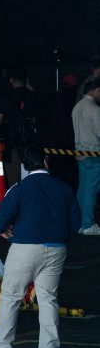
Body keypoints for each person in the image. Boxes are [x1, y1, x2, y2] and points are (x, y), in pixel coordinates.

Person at [0, 143, 80, 348]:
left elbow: (0, 220)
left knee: (11, 296)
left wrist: (4, 231)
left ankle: (3, 347)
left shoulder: (19, 188)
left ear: (26, 166)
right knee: (48, 298)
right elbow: (75, 222)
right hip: (56, 248)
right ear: (46, 162)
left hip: (25, 248)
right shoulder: (64, 188)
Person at [0, 68, 41, 188]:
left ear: (11, 80)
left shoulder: (7, 97)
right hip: (31, 142)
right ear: (26, 80)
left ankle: (16, 196)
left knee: (14, 177)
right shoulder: (32, 96)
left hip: (12, 142)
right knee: (32, 173)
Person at [72, 77, 100, 235]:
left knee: (83, 189)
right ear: (96, 90)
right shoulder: (94, 109)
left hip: (80, 153)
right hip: (94, 153)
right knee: (90, 190)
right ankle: (87, 224)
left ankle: (81, 223)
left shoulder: (77, 107)